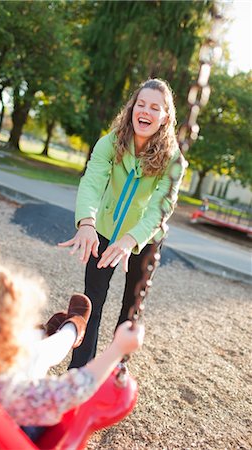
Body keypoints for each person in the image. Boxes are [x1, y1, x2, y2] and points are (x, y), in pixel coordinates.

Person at [59, 78, 187, 369]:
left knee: (131, 307)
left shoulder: (173, 160)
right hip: (103, 231)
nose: (146, 111)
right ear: (132, 108)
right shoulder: (111, 141)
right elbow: (92, 181)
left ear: (165, 117)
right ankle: (79, 369)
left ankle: (115, 369)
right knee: (92, 301)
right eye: (141, 104)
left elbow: (161, 206)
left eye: (155, 107)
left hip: (144, 238)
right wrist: (87, 223)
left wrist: (132, 240)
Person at [0, 255, 144, 442]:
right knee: (35, 355)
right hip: (10, 435)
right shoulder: (9, 392)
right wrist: (117, 349)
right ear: (4, 335)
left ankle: (59, 332)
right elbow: (70, 390)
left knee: (33, 353)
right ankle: (71, 330)